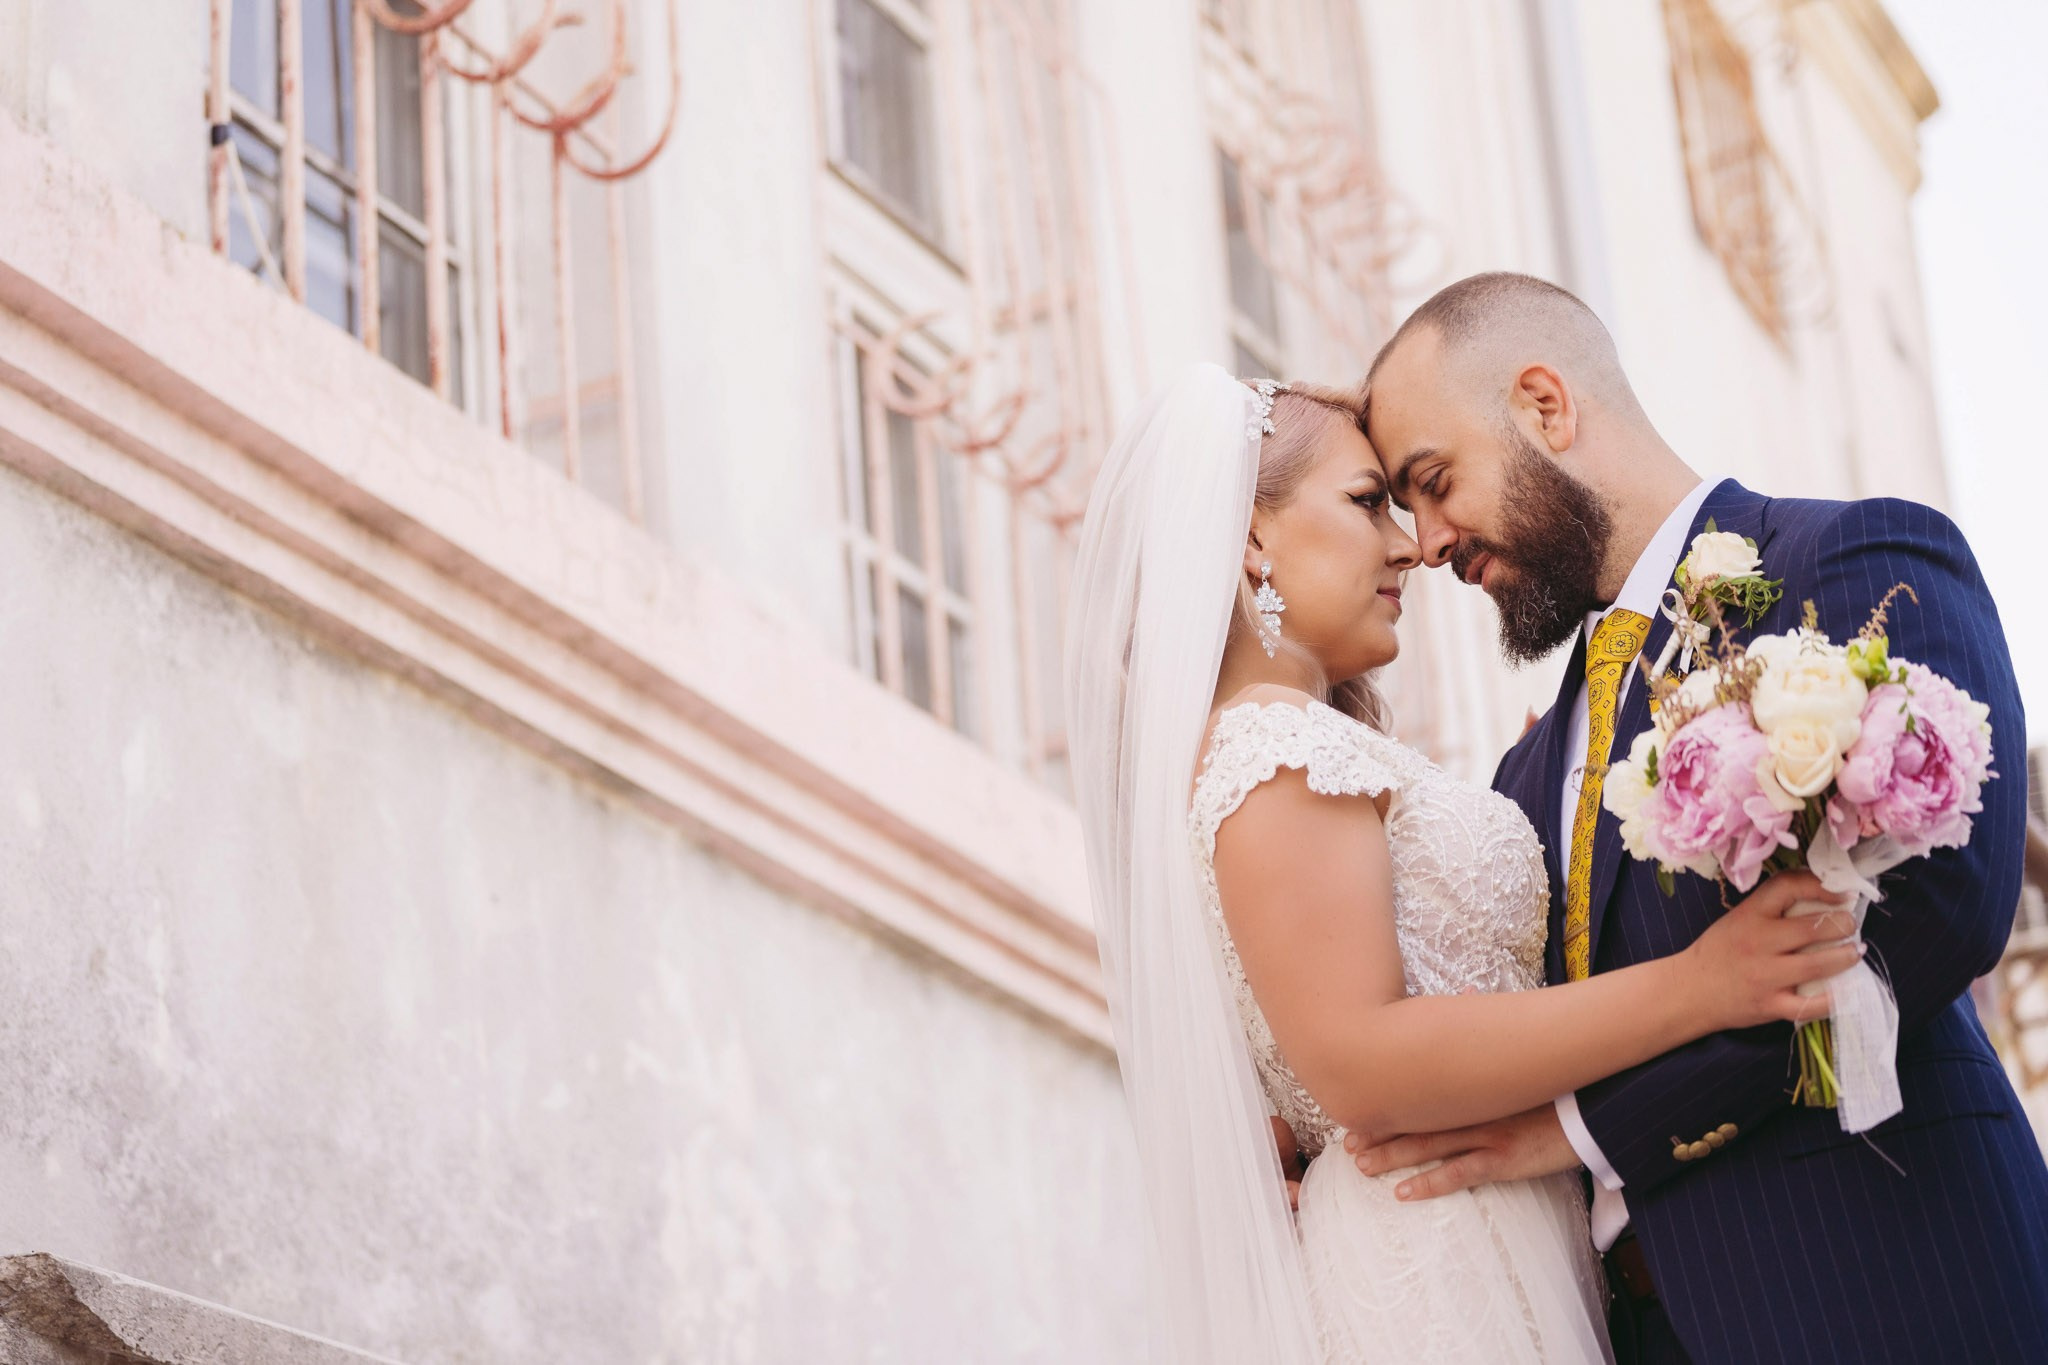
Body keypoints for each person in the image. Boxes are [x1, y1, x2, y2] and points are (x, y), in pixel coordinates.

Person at [1065, 363, 1857, 1363]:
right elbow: (1363, 1064)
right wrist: (1700, 987)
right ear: (1251, 539)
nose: (1406, 546)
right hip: (1434, 1264)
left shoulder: (1282, 748)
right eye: (1365, 504)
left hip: (1483, 1235)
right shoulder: (1273, 751)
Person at [1344, 272, 2048, 1363]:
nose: (1427, 543)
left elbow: (1938, 912)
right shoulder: (1522, 774)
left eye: (1433, 483)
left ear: (1543, 405)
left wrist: (1589, 1132)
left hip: (1892, 1295)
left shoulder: (1855, 564)